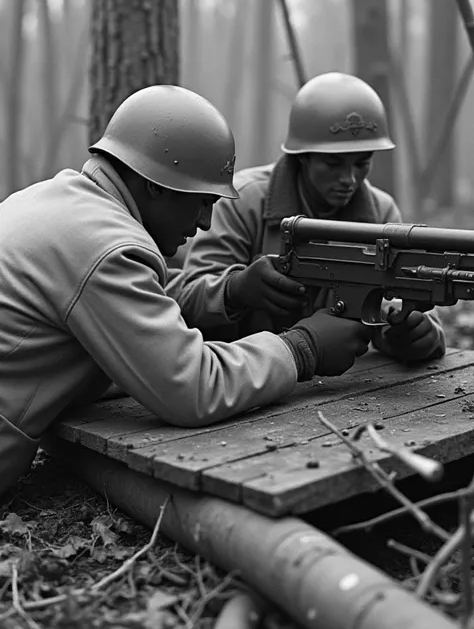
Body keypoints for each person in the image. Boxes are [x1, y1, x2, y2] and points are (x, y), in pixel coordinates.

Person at [0, 85, 373, 496]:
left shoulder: (59, 203)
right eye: (201, 201)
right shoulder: (106, 248)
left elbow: (141, 299)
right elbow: (193, 389)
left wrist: (231, 292)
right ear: (154, 185)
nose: (205, 222)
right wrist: (304, 347)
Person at [178, 72, 445, 361]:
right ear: (302, 156)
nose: (349, 179)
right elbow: (187, 297)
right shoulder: (245, 201)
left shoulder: (383, 215)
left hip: (348, 387)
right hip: (242, 372)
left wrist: (415, 334)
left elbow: (402, 307)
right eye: (333, 163)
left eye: (362, 163)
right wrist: (235, 289)